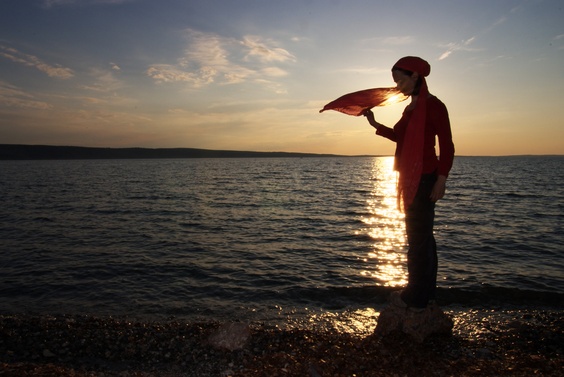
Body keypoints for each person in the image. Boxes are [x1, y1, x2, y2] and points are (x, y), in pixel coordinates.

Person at [363, 56, 455, 310]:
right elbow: (401, 139)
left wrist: (441, 179)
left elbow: (447, 146)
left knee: (418, 239)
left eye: (400, 80)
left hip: (425, 178)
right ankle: (426, 292)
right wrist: (375, 124)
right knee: (424, 238)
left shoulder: (435, 106)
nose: (397, 86)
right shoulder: (410, 108)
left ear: (415, 76)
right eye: (395, 81)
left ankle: (417, 295)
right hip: (409, 176)